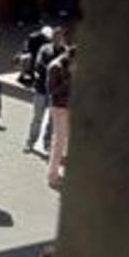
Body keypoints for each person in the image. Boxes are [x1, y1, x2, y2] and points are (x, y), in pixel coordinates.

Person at [26, 26, 64, 154]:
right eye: (55, 36)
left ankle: (47, 144)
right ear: (52, 37)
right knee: (37, 117)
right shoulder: (44, 49)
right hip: (41, 88)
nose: (57, 39)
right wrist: (53, 69)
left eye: (60, 36)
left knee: (52, 120)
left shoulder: (65, 52)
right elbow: (38, 64)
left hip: (55, 92)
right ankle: (30, 141)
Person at [45, 45, 74, 187]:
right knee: (59, 142)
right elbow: (51, 90)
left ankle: (64, 171)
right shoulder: (55, 67)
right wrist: (68, 81)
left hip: (71, 106)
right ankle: (52, 176)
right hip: (59, 108)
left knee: (69, 142)